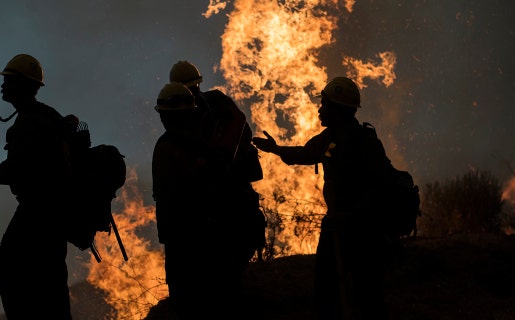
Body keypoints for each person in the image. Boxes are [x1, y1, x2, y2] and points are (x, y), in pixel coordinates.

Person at [252, 77, 397, 320]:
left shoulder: (363, 142)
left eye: (325, 104)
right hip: (338, 226)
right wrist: (276, 149)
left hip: (361, 230)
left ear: (339, 109)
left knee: (364, 292)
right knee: (331, 288)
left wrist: (353, 217)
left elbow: (379, 186)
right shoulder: (331, 138)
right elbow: (305, 153)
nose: (320, 108)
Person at [0, 54, 73, 319]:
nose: (3, 86)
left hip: (37, 212)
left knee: (7, 269)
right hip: (54, 214)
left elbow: (17, 169)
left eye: (9, 80)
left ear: (24, 85)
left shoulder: (30, 123)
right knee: (51, 285)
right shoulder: (43, 116)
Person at [151, 82, 261, 319]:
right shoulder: (211, 143)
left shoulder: (167, 147)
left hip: (187, 243)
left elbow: (169, 199)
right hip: (217, 241)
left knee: (189, 304)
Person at [169, 61, 266, 276]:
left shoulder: (189, 118)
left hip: (220, 198)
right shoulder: (219, 103)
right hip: (234, 192)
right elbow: (245, 133)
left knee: (220, 262)